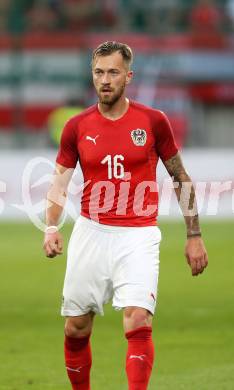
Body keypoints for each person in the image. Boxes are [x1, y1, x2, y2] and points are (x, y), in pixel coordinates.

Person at [43, 41, 208, 390]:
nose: (105, 80)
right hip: (91, 232)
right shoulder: (76, 126)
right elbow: (59, 183)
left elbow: (181, 178)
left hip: (139, 235)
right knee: (76, 327)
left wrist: (194, 235)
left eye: (113, 72)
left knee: (137, 319)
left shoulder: (152, 121)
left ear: (128, 77)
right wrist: (50, 226)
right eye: (99, 72)